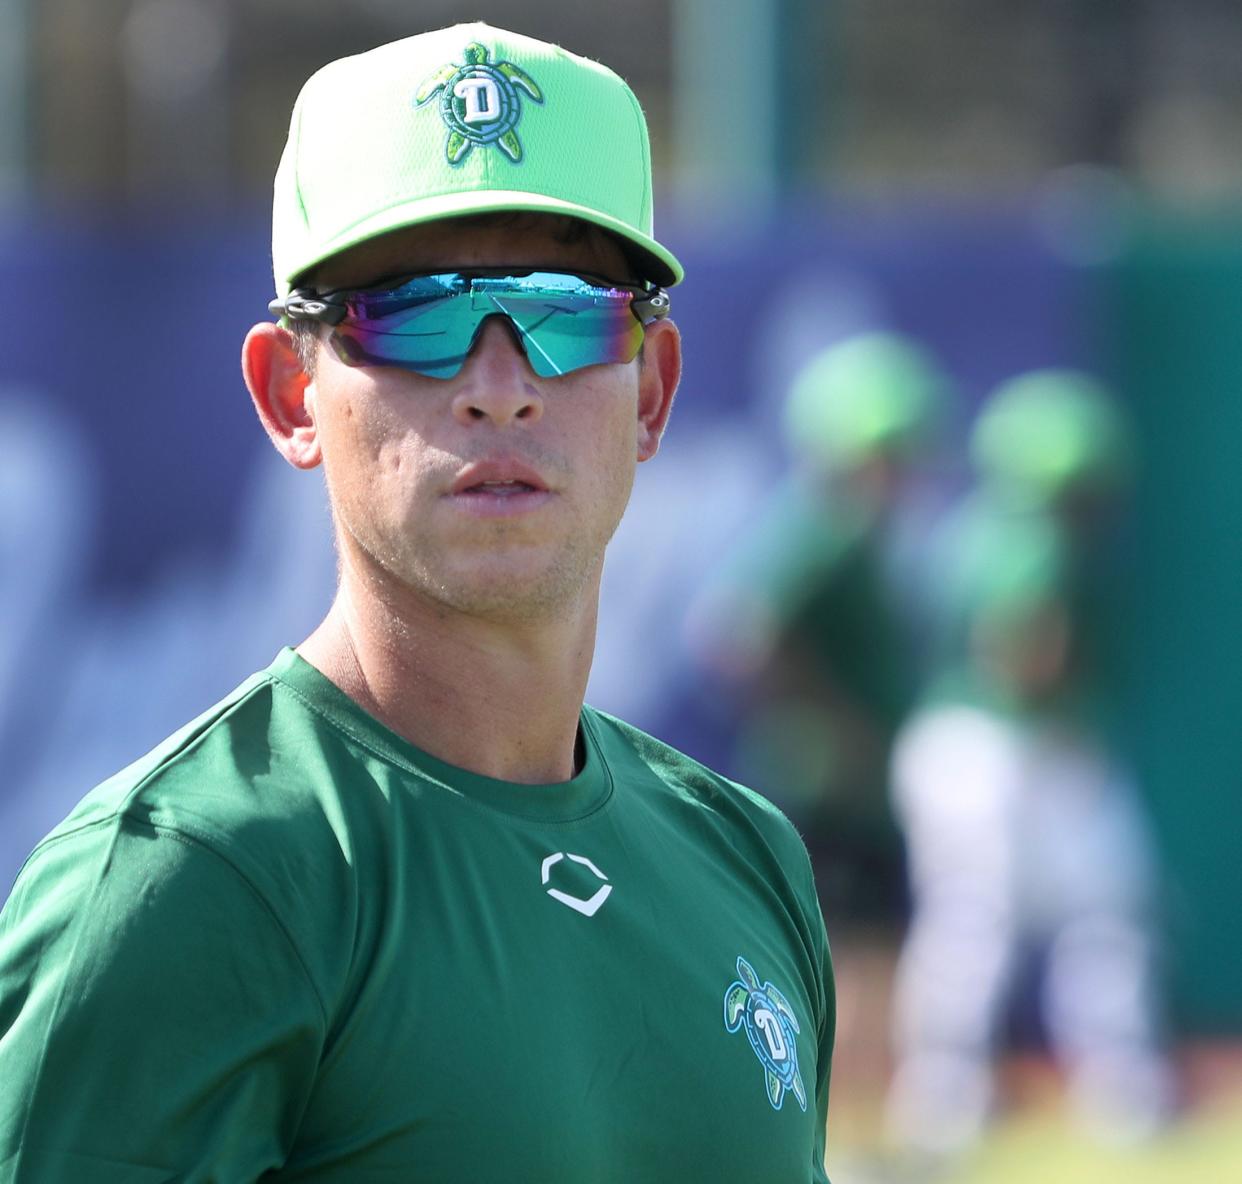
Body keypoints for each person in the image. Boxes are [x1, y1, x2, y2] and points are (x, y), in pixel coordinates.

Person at [0, 24, 833, 1183]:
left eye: (567, 307)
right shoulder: (181, 880)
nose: (500, 386)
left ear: (650, 388)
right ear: (294, 392)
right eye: (413, 312)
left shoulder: (746, 856)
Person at [884, 370, 1176, 1164]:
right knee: (1071, 918)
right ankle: (1118, 1093)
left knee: (980, 922)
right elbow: (1025, 646)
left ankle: (944, 1104)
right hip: (1014, 744)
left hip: (964, 742)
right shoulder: (1035, 535)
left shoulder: (961, 528)